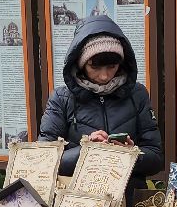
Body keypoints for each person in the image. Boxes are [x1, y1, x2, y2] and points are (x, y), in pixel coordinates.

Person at [37, 15, 164, 180]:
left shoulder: (137, 94)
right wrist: (86, 150)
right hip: (78, 199)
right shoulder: (62, 98)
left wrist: (132, 154)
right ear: (81, 63)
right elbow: (43, 160)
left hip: (128, 198)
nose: (104, 76)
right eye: (95, 67)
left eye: (112, 66)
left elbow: (155, 159)